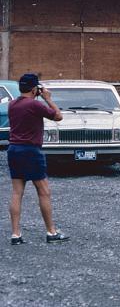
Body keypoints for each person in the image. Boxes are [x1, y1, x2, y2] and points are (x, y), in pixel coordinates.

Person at [7, 74, 68, 245]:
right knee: (43, 191)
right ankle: (51, 232)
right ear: (35, 89)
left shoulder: (12, 104)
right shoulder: (35, 104)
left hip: (14, 149)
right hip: (31, 151)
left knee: (17, 192)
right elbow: (58, 116)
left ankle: (16, 234)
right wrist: (48, 98)